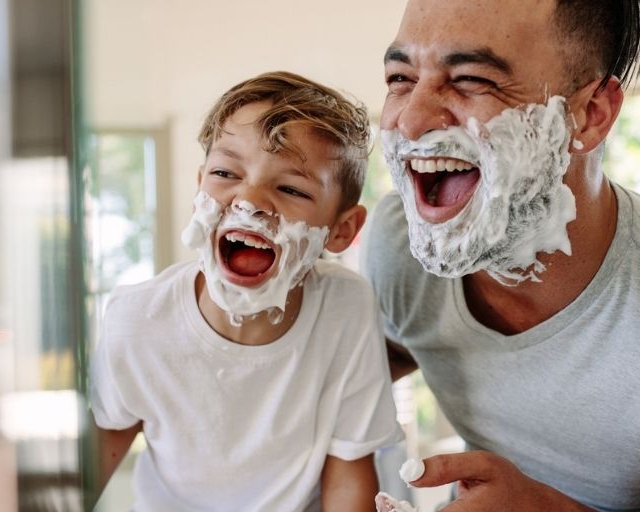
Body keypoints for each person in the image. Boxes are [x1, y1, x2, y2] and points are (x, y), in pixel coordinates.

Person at [361, 1, 640, 511]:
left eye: (472, 79)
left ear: (591, 115)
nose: (411, 120)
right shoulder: (398, 246)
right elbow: (390, 350)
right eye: (400, 77)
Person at [89, 71, 404, 511]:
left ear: (341, 230)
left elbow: (348, 473)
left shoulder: (345, 309)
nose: (249, 200)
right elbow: (93, 460)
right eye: (224, 173)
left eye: (291, 188)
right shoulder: (138, 320)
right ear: (199, 186)